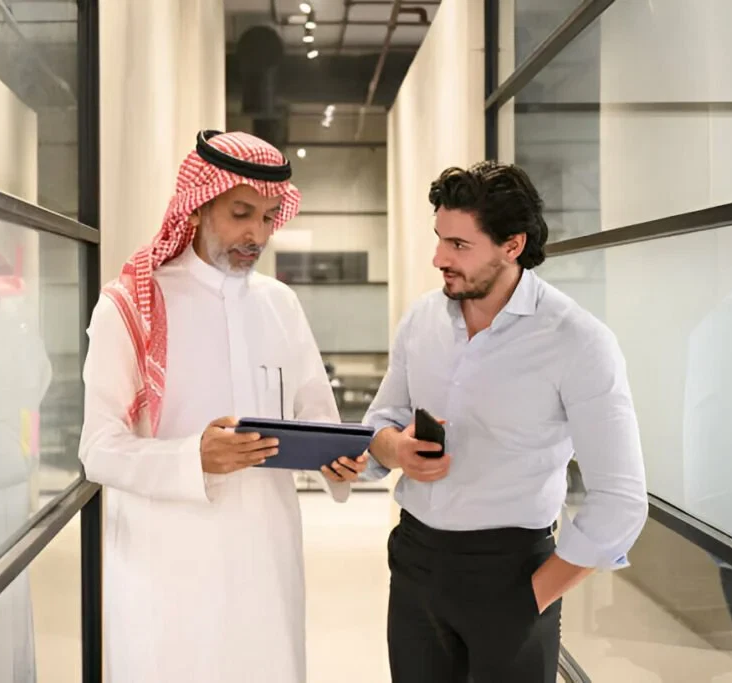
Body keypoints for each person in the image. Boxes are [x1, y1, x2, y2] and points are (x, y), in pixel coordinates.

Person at [79, 130, 368, 682]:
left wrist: (338, 460)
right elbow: (98, 450)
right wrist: (193, 458)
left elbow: (318, 417)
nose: (256, 234)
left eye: (269, 217)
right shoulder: (130, 306)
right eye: (240, 214)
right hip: (167, 565)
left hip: (266, 559)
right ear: (197, 207)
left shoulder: (281, 305)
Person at [363, 161, 648, 682]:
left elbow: (621, 499)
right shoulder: (422, 320)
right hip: (415, 565)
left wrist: (531, 597)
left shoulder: (578, 341)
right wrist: (393, 449)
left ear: (512, 245)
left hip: (513, 573)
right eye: (439, 239)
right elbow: (381, 422)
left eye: (459, 245)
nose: (439, 258)